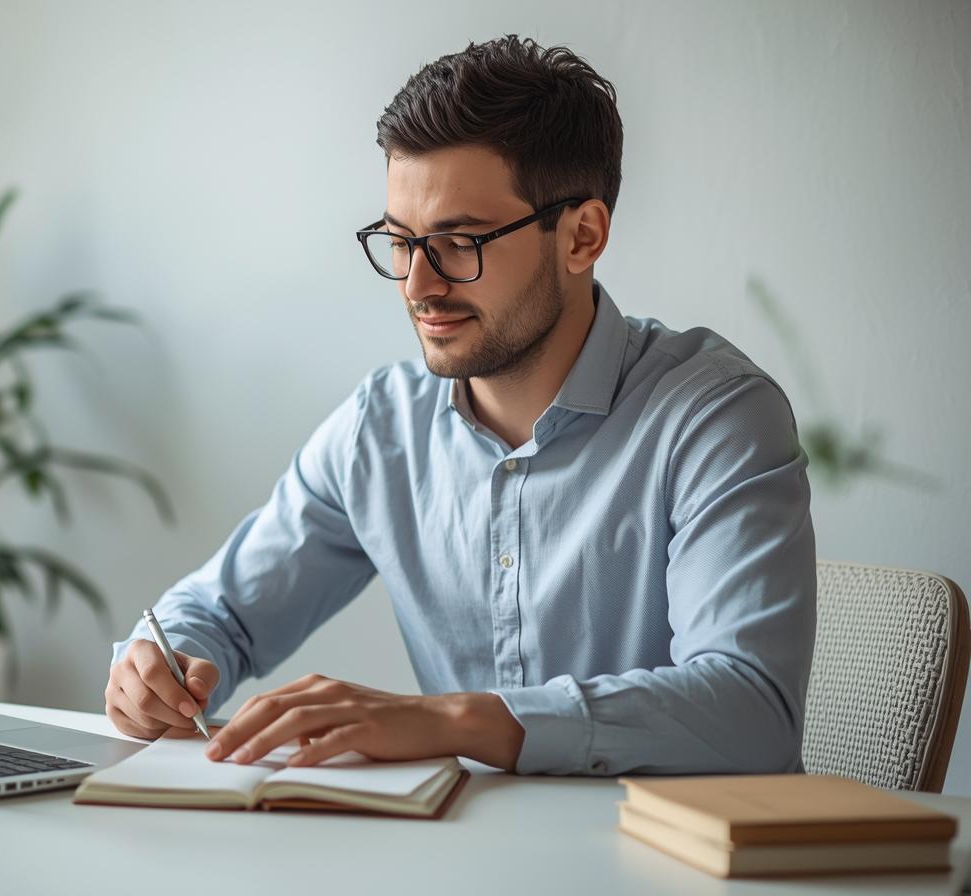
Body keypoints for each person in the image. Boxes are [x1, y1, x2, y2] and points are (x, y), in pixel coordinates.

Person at [103, 35, 816, 777]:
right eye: (400, 242)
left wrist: (454, 721)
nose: (418, 285)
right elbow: (218, 613)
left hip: (660, 845)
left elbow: (750, 715)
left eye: (459, 242)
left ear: (582, 236)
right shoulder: (382, 430)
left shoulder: (714, 418)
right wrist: (157, 665)